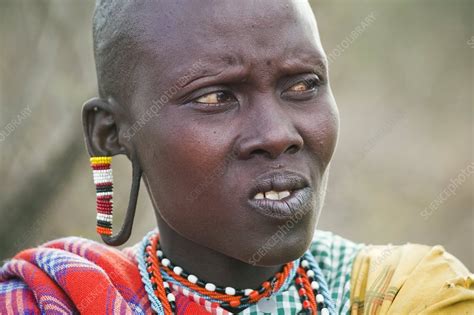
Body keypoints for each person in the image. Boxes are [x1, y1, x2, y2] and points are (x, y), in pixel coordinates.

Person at [1, 1, 472, 314]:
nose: (277, 135)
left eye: (303, 85)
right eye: (214, 97)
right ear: (111, 133)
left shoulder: (409, 295)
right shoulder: (54, 299)